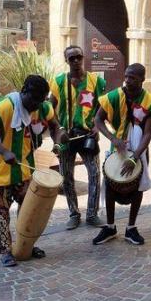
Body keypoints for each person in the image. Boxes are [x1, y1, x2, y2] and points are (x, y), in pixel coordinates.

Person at [0, 75, 68, 267]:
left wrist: (58, 140)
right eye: (33, 100)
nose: (36, 105)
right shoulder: (5, 107)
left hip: (25, 171)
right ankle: (6, 252)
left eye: (40, 100)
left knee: (29, 212)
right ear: (23, 91)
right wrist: (3, 151)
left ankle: (26, 246)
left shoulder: (43, 107)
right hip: (0, 172)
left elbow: (55, 126)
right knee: (0, 214)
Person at [91, 64, 151, 246]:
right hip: (118, 148)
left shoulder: (149, 102)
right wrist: (112, 138)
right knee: (110, 183)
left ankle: (131, 227)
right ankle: (110, 226)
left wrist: (135, 157)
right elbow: (98, 119)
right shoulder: (114, 96)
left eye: (133, 78)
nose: (128, 81)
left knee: (137, 185)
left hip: (139, 151)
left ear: (142, 80)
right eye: (127, 77)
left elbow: (147, 133)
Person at [49, 45, 106, 230]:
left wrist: (97, 126)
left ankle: (92, 214)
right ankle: (74, 213)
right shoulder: (58, 82)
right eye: (71, 58)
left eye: (78, 57)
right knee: (66, 177)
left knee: (95, 174)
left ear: (83, 58)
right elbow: (50, 109)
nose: (75, 61)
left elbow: (104, 106)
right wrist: (59, 130)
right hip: (67, 137)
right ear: (66, 61)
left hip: (87, 135)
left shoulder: (96, 81)